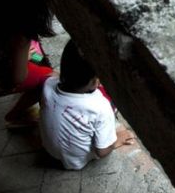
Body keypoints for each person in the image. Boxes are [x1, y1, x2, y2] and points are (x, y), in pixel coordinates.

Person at [39, 40, 136, 170]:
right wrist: (115, 140)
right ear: (94, 80)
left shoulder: (47, 84)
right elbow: (101, 152)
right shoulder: (100, 106)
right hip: (77, 161)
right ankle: (110, 137)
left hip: (50, 151)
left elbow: (52, 78)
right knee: (109, 102)